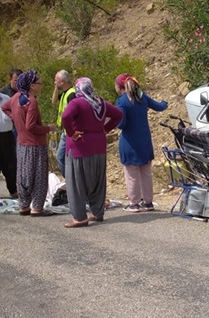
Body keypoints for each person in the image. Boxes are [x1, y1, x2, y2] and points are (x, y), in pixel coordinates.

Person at [61, 77, 123, 228]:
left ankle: (80, 217)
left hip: (79, 147)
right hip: (98, 145)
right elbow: (118, 115)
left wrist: (71, 132)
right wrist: (104, 129)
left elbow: (65, 116)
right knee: (97, 181)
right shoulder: (99, 102)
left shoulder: (77, 102)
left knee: (76, 183)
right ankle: (97, 212)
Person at [1, 70, 56, 216]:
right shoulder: (31, 101)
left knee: (23, 175)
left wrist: (16, 118)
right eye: (39, 83)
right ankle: (37, 207)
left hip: (22, 143)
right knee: (38, 176)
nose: (41, 86)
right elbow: (31, 126)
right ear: (31, 85)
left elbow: (4, 107)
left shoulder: (16, 98)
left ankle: (24, 205)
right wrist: (48, 128)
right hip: (35, 144)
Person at [114, 73, 168, 212]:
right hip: (145, 142)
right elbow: (160, 106)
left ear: (119, 87)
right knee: (146, 173)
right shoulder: (142, 97)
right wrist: (165, 102)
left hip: (130, 143)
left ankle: (134, 203)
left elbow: (121, 123)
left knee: (132, 175)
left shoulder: (122, 101)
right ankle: (148, 202)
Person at [51, 69, 76, 177]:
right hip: (65, 131)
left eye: (56, 80)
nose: (54, 82)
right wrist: (56, 87)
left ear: (62, 82)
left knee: (61, 157)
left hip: (70, 132)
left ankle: (70, 180)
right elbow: (54, 101)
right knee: (62, 157)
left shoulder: (72, 94)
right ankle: (70, 179)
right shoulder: (65, 93)